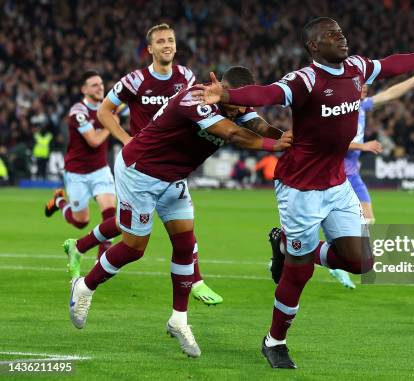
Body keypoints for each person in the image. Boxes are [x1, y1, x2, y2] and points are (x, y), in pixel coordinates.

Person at [202, 16, 414, 368]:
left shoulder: (356, 67)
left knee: (361, 261)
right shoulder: (304, 79)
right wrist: (228, 94)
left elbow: (390, 65)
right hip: (300, 187)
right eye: (331, 35)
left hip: (337, 181)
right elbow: (267, 93)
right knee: (298, 273)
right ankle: (275, 340)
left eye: (341, 33)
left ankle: (287, 244)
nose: (341, 38)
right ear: (314, 46)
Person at [67, 67, 292, 358]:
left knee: (185, 244)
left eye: (243, 103)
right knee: (135, 248)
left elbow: (259, 127)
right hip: (141, 172)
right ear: (221, 88)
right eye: (236, 102)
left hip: (173, 177)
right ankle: (84, 286)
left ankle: (179, 320)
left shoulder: (237, 105)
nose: (240, 109)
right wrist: (275, 146)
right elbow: (234, 134)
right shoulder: (194, 99)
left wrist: (289, 139)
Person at [63, 23, 223, 306]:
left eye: (171, 40)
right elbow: (104, 111)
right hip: (139, 167)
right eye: (160, 41)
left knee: (171, 226)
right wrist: (125, 138)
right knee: (132, 230)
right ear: (150, 49)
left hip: (171, 165)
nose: (167, 45)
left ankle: (194, 281)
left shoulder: (186, 76)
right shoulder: (134, 81)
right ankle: (84, 265)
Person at [330, 61, 414, 289]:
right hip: (334, 173)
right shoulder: (337, 110)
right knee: (327, 221)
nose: (366, 89)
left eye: (367, 86)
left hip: (353, 174)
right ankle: (331, 261)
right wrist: (363, 146)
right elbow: (333, 141)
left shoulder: (362, 106)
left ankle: (341, 261)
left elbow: (389, 95)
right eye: (361, 85)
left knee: (367, 219)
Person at [44, 71, 115, 256]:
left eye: (101, 83)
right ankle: (59, 201)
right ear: (84, 89)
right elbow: (93, 141)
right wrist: (111, 123)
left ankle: (103, 262)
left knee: (110, 215)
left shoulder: (106, 108)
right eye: (94, 85)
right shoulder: (78, 111)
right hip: (77, 173)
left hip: (101, 170)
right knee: (81, 221)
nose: (100, 87)